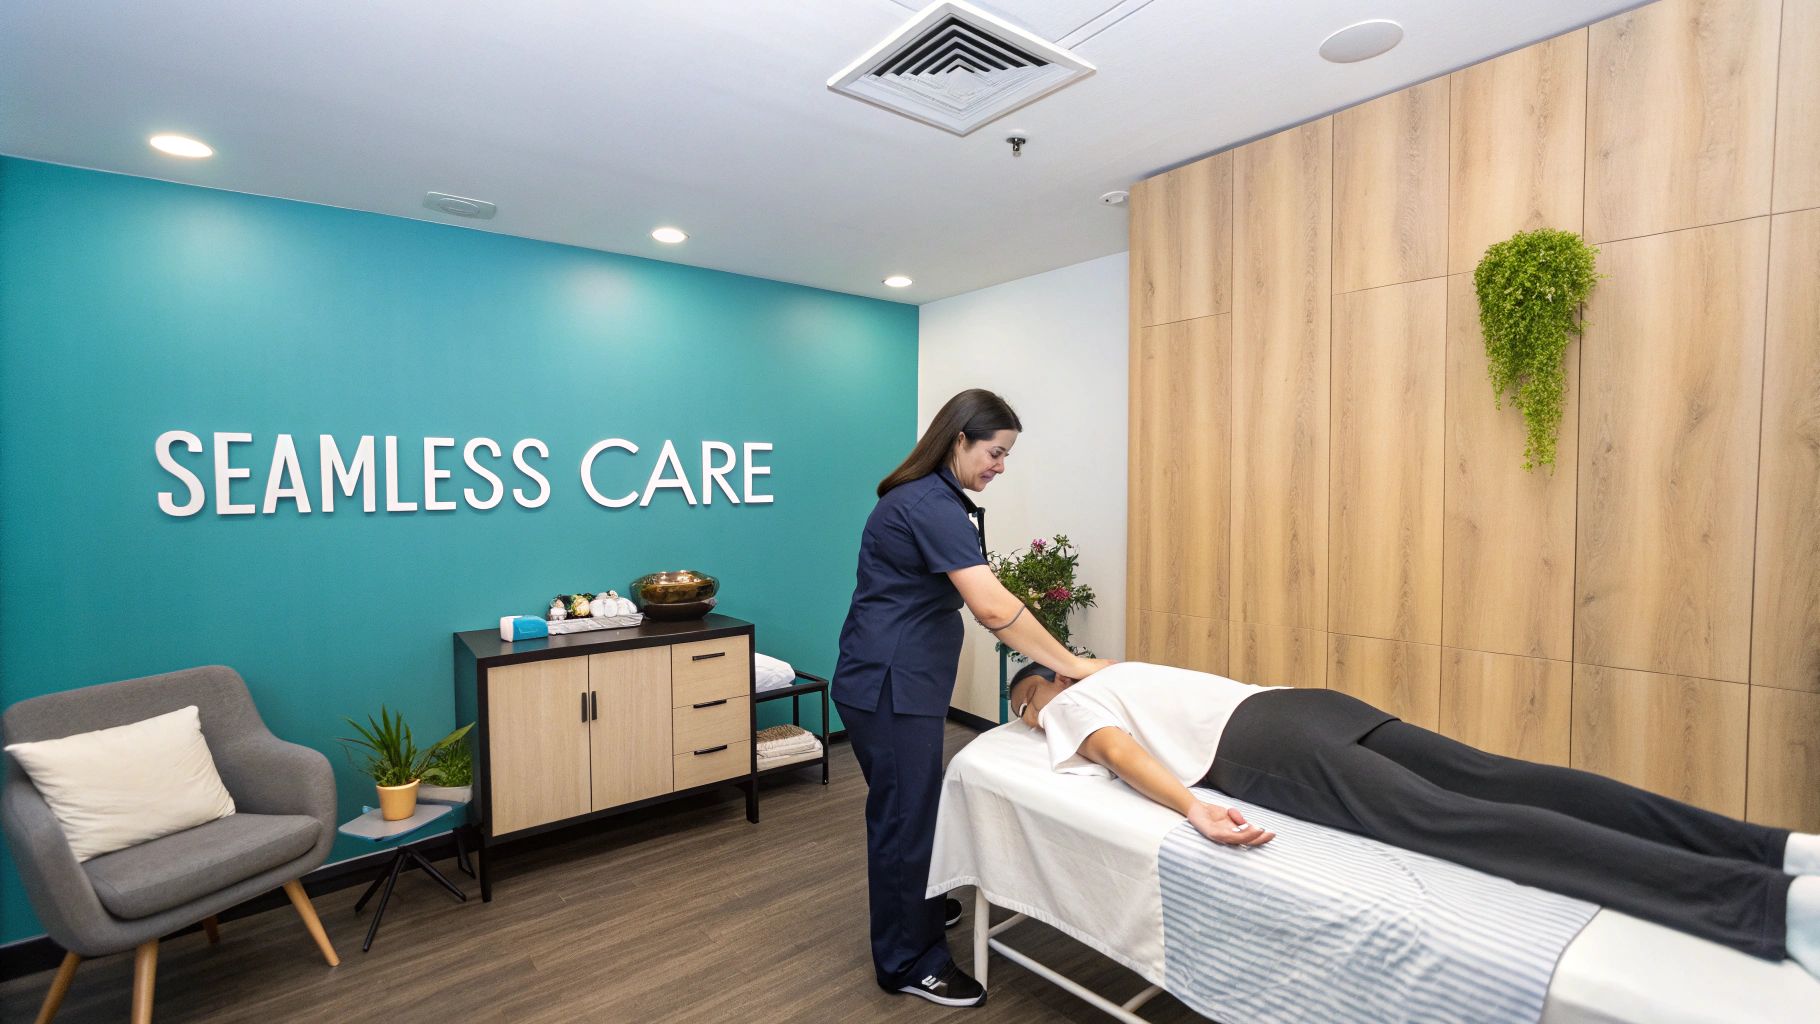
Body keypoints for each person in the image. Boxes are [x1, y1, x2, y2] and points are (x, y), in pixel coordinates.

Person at [1005, 660, 1820, 979]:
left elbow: (1115, 752)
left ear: (1040, 688)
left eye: (1024, 706)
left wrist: (1193, 808)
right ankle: (1780, 853)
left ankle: (1771, 908)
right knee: (1512, 780)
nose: (1030, 722)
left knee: (1459, 823)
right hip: (1303, 704)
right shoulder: (1125, 665)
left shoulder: (1071, 700)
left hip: (1261, 746)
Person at [832, 388, 1114, 1008]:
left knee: (916, 808)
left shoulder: (937, 500)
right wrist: (1070, 663)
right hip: (889, 685)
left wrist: (1057, 660)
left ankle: (921, 905)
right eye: (995, 451)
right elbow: (990, 605)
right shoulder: (929, 503)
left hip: (896, 680)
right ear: (959, 439)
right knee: (905, 819)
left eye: (1008, 455)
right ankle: (908, 960)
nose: (1001, 466)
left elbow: (984, 592)